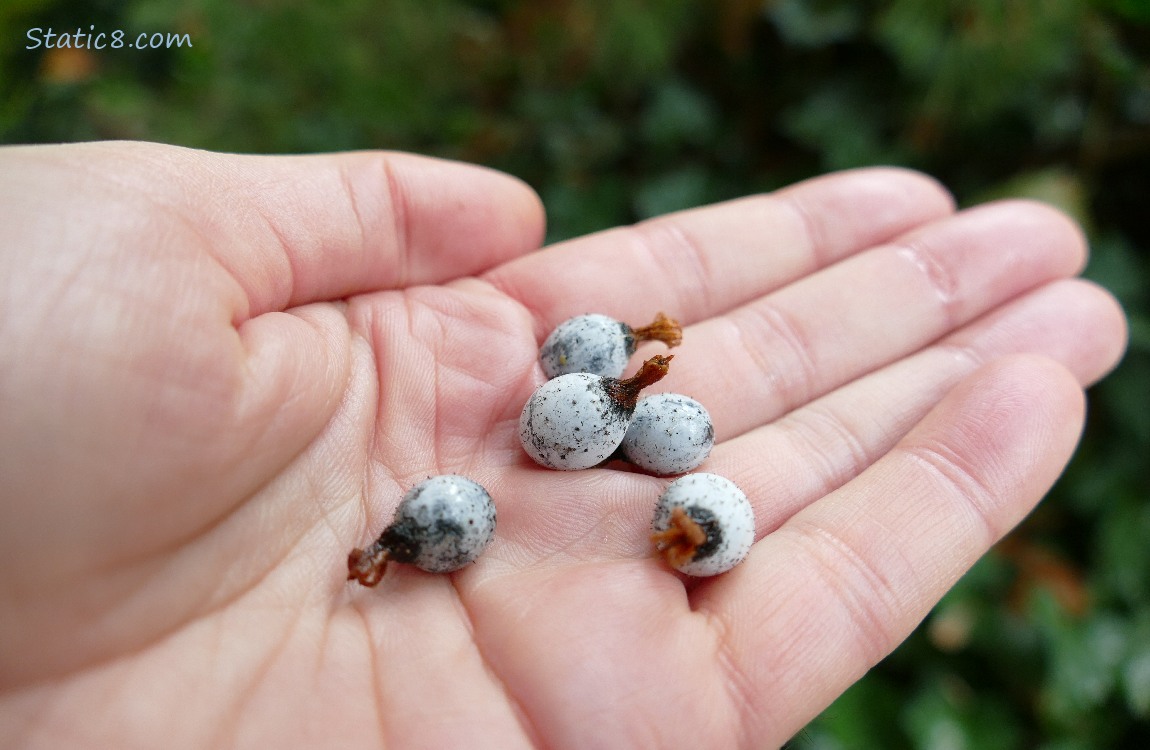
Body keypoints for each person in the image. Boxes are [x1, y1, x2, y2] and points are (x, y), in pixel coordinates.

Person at [0, 141, 1127, 748]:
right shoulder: (575, 408)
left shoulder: (627, 423)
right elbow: (554, 436)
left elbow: (600, 436)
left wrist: (635, 398)